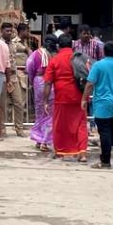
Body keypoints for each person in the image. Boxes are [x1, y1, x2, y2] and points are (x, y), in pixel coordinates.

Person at [84, 41, 113, 168]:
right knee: (112, 127)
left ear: (104, 52)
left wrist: (84, 99)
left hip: (102, 103)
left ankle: (105, 160)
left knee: (104, 131)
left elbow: (90, 84)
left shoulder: (98, 65)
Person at [43, 34, 88, 162]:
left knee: (59, 125)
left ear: (58, 46)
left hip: (61, 96)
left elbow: (47, 82)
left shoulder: (55, 60)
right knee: (81, 124)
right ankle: (82, 153)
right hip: (80, 95)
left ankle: (60, 151)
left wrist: (45, 101)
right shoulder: (79, 58)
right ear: (72, 45)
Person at [2, 21, 30, 136]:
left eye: (11, 31)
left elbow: (25, 50)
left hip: (13, 76)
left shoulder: (14, 44)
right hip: (3, 76)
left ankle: (19, 128)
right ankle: (2, 129)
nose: (9, 33)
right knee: (3, 105)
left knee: (18, 103)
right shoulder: (0, 44)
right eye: (7, 31)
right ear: (2, 31)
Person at [27, 34, 53, 152]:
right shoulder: (54, 54)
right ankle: (45, 141)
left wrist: (33, 80)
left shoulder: (36, 53)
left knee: (39, 111)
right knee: (49, 114)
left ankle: (38, 139)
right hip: (50, 83)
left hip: (38, 82)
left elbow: (29, 66)